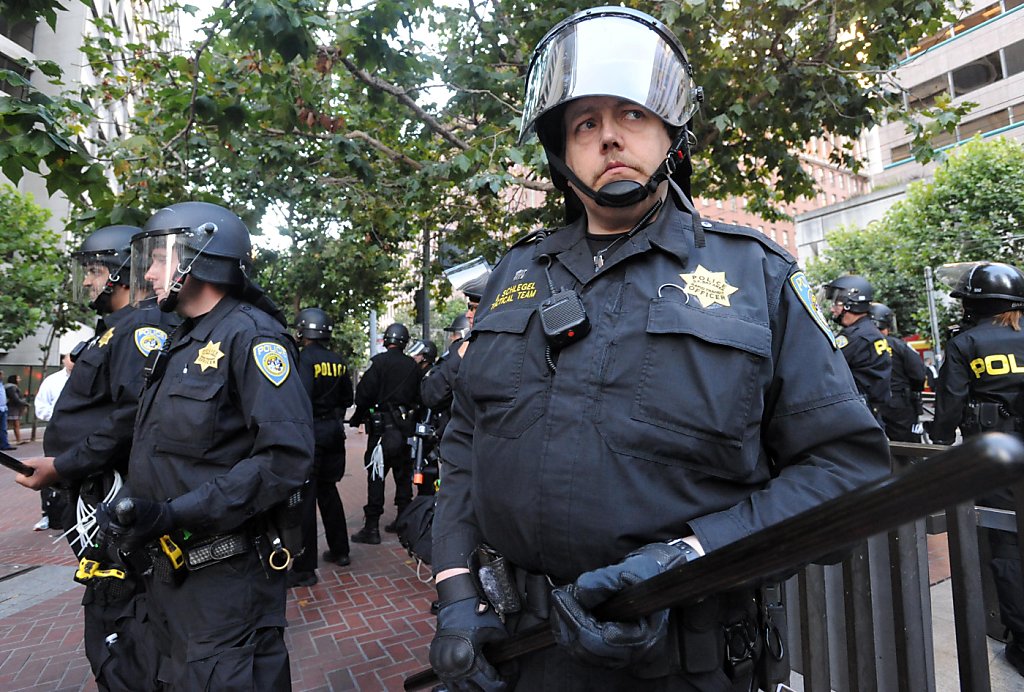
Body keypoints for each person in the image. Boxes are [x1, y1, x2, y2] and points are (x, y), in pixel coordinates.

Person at [427, 8, 890, 691]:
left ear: (672, 134)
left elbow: (846, 470)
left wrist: (691, 557)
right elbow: (466, 437)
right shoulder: (512, 277)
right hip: (523, 649)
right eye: (585, 122)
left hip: (684, 651)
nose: (609, 135)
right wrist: (456, 594)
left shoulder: (755, 276)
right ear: (561, 151)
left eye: (633, 114)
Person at [97, 201, 314, 689]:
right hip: (170, 577)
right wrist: (134, 510)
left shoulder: (252, 337)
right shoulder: (180, 340)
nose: (148, 273)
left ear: (200, 257)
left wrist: (177, 513)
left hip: (226, 582)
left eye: (158, 258)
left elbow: (285, 459)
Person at [15, 224, 180, 690]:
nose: (87, 282)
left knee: (122, 623)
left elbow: (134, 415)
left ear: (118, 273)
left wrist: (64, 465)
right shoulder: (113, 331)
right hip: (97, 501)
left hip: (115, 505)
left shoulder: (142, 326)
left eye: (93, 271)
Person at [929, 261, 1024, 676]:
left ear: (973, 304)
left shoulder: (965, 343)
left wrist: (938, 436)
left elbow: (948, 407)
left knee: (1006, 550)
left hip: (993, 460)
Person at [289, 307, 355, 587]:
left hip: (311, 433)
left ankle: (304, 569)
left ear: (304, 330)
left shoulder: (304, 360)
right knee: (329, 492)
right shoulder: (338, 361)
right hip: (333, 433)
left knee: (305, 500)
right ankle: (341, 551)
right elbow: (347, 398)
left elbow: (300, 397)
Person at [348, 322, 422, 543]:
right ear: (404, 342)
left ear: (387, 340)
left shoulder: (379, 364)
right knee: (403, 478)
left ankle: (372, 529)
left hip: (381, 432)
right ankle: (403, 523)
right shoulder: (413, 366)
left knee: (376, 477)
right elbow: (421, 398)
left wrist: (358, 417)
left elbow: (362, 395)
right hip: (404, 430)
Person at [822, 274, 892, 421]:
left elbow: (824, 367)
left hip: (856, 415)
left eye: (837, 303)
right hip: (870, 411)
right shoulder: (869, 331)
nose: (833, 309)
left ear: (850, 303)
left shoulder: (854, 337)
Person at [870, 303, 926, 443]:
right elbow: (918, 374)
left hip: (869, 403)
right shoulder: (899, 346)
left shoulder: (859, 344)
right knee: (909, 448)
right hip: (899, 403)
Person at [31, 353, 74, 530]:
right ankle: (49, 515)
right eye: (71, 357)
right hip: (56, 432)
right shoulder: (52, 381)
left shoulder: (89, 378)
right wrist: (60, 417)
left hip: (81, 433)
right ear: (63, 359)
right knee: (51, 470)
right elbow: (40, 408)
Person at [5, 374, 27, 444]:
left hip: (11, 407)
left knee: (10, 424)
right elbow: (15, 398)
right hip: (12, 408)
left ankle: (17, 439)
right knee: (14, 424)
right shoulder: (12, 387)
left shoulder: (8, 386)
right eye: (18, 378)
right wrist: (25, 404)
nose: (19, 380)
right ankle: (18, 439)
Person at [0, 374, 12, 451]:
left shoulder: (1, 384)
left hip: (3, 408)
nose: (2, 376)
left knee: (3, 428)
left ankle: (4, 444)